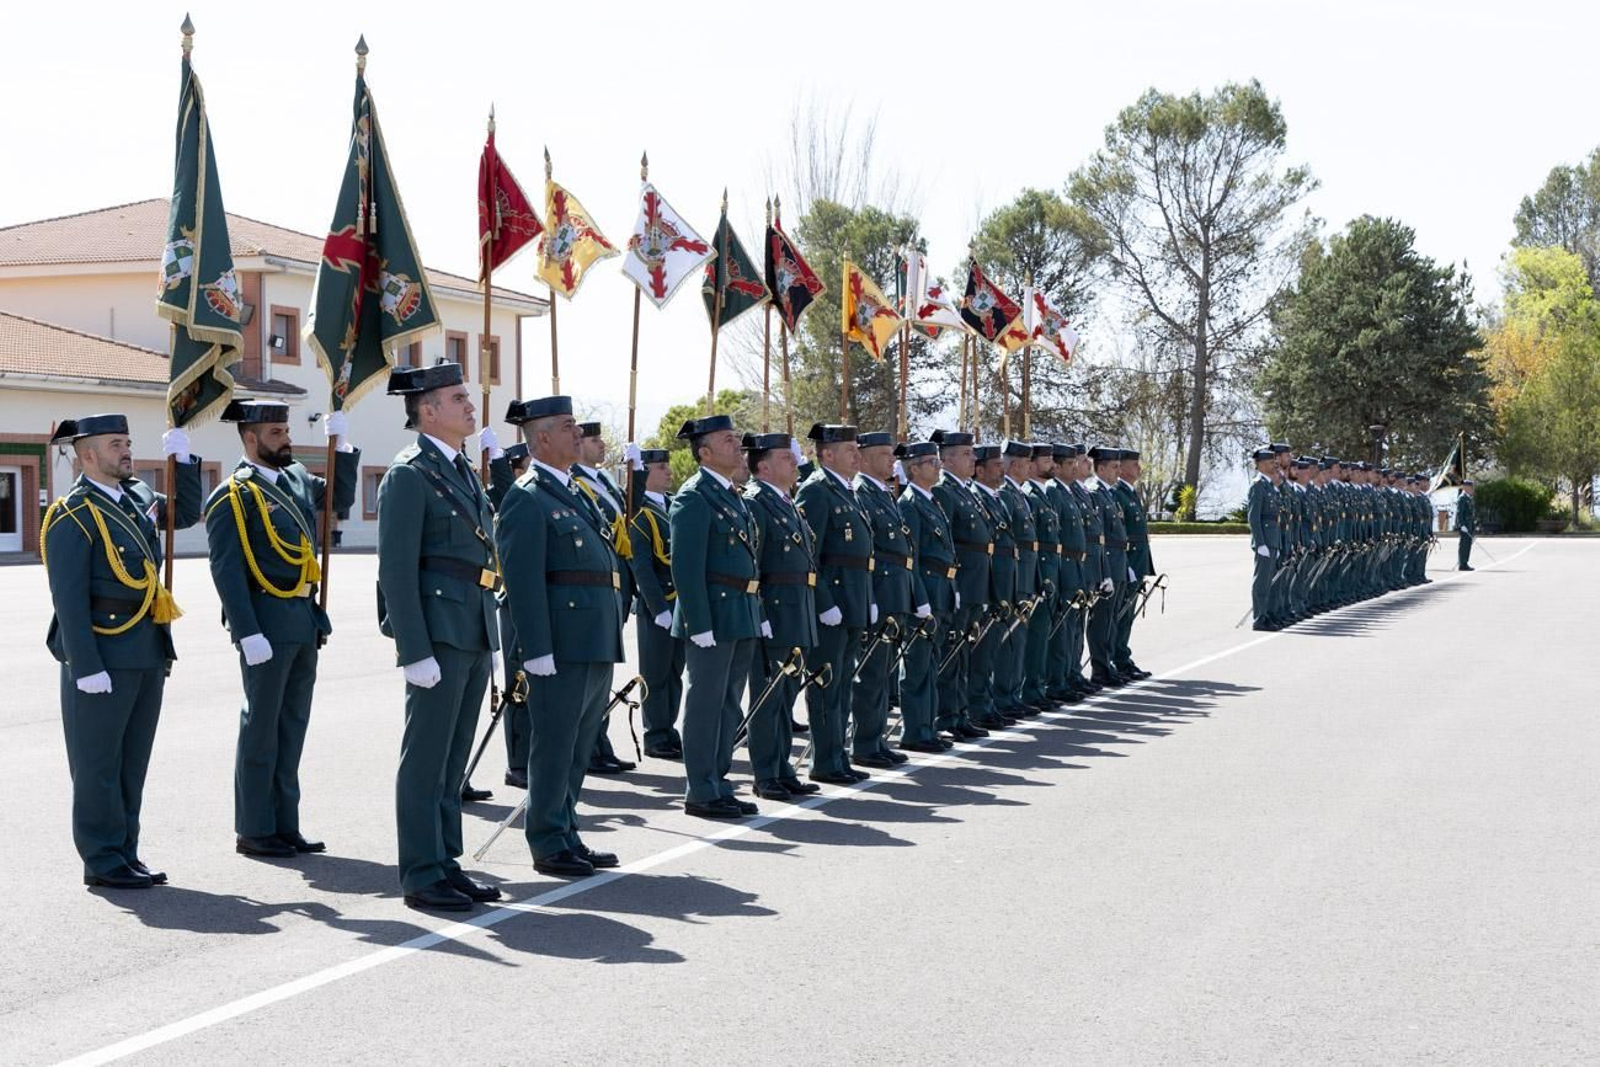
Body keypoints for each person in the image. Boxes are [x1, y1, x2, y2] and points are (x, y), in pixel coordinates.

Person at [42, 414, 200, 888]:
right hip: (103, 654)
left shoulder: (139, 500)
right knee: (97, 765)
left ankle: (125, 850)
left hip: (146, 647)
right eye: (116, 445)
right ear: (88, 455)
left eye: (128, 443)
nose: (126, 452)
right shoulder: (73, 514)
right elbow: (67, 598)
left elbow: (187, 514)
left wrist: (184, 459)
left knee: (132, 762)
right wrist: (85, 665)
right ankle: (101, 858)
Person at [204, 400, 358, 859]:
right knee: (261, 729)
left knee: (291, 727)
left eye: (286, 430)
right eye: (276, 433)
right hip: (265, 623)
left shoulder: (294, 480)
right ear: (250, 439)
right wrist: (246, 632)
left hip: (302, 617)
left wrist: (343, 448)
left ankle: (284, 823)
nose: (286, 439)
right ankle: (254, 827)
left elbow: (340, 501)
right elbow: (226, 570)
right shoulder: (233, 494)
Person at [375, 363, 503, 910]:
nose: (470, 406)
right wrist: (413, 649)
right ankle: (421, 872)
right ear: (427, 411)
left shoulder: (462, 470)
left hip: (470, 624)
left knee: (453, 761)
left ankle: (446, 861)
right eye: (458, 398)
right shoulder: (409, 474)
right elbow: (397, 570)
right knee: (426, 758)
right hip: (437, 630)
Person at [496, 395, 626, 877]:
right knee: (553, 744)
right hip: (560, 643)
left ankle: (566, 829)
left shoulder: (574, 491)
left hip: (591, 637)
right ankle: (548, 840)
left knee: (577, 745)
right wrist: (536, 648)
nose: (579, 434)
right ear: (543, 437)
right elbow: (523, 580)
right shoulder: (527, 497)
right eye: (569, 427)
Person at [670, 415, 766, 817]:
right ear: (704, 452)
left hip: (740, 610)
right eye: (728, 440)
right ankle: (701, 789)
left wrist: (756, 611)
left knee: (728, 704)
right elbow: (686, 568)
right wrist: (699, 623)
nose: (737, 445)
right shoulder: (694, 497)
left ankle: (719, 780)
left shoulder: (732, 495)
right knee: (706, 704)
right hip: (712, 613)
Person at [742, 433, 824, 801]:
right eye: (785, 458)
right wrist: (759, 614)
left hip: (797, 609)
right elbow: (753, 566)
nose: (795, 462)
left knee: (787, 694)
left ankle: (782, 767)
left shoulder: (787, 502)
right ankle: (765, 772)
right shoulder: (757, 503)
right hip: (775, 610)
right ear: (763, 466)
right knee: (768, 696)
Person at [795, 423, 876, 782]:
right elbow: (809, 555)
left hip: (854, 601)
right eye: (849, 449)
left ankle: (837, 757)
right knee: (826, 685)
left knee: (841, 684)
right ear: (827, 454)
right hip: (832, 605)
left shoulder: (848, 490)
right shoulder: (816, 492)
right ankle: (825, 762)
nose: (857, 455)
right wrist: (824, 601)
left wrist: (868, 598)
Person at [852, 431, 921, 767]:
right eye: (883, 454)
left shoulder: (884, 493)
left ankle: (875, 739)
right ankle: (864, 742)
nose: (891, 460)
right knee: (871, 673)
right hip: (878, 591)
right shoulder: (863, 493)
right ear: (863, 458)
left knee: (882, 673)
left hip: (895, 592)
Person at [571, 422, 637, 776]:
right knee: (590, 681)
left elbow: (629, 518)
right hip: (592, 588)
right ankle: (593, 747)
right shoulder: (577, 483)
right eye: (594, 439)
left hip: (615, 585)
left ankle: (599, 745)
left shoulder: (604, 482)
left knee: (603, 678)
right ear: (578, 444)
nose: (601, 445)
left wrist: (635, 474)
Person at [625, 446, 687, 761]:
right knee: (655, 672)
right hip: (659, 606)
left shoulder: (675, 505)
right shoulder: (639, 511)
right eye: (661, 467)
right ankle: (654, 734)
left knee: (675, 670)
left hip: (680, 603)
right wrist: (658, 608)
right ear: (645, 472)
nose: (668, 471)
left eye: (667, 465)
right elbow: (642, 566)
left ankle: (668, 728)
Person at [930, 430, 991, 742]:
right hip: (960, 581)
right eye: (967, 454)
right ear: (948, 459)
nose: (973, 459)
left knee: (963, 651)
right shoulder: (943, 492)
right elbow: (948, 542)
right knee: (950, 652)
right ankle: (946, 714)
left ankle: (959, 713)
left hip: (974, 582)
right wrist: (954, 583)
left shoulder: (966, 491)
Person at [968, 444, 1016, 727]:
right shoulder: (978, 497)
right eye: (997, 464)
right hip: (983, 583)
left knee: (990, 651)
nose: (1003, 468)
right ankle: (976, 707)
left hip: (1000, 583)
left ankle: (984, 704)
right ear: (980, 470)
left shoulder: (995, 498)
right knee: (980, 652)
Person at [1084, 446, 1128, 686]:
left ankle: (1108, 663)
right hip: (1107, 562)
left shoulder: (1109, 493)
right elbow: (1099, 536)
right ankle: (1100, 668)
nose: (1118, 471)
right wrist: (1104, 571)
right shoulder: (1095, 493)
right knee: (1101, 619)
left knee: (1111, 619)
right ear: (1100, 468)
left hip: (1118, 562)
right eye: (1114, 467)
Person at [1112, 450, 1153, 680]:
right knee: (1119, 614)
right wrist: (1126, 564)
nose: (1139, 468)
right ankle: (1116, 658)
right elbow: (1121, 533)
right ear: (1122, 468)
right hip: (1127, 561)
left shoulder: (1130, 492)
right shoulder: (1118, 493)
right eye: (1134, 465)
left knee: (1127, 615)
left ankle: (1122, 656)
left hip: (1137, 561)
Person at [1246, 446, 1283, 631]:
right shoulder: (1258, 486)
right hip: (1265, 542)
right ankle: (1259, 618)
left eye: (1273, 460)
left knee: (1269, 581)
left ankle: (1266, 614)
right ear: (1259, 464)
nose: (1273, 464)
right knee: (1261, 581)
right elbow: (1254, 518)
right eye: (1269, 461)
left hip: (1273, 540)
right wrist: (1260, 543)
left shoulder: (1270, 486)